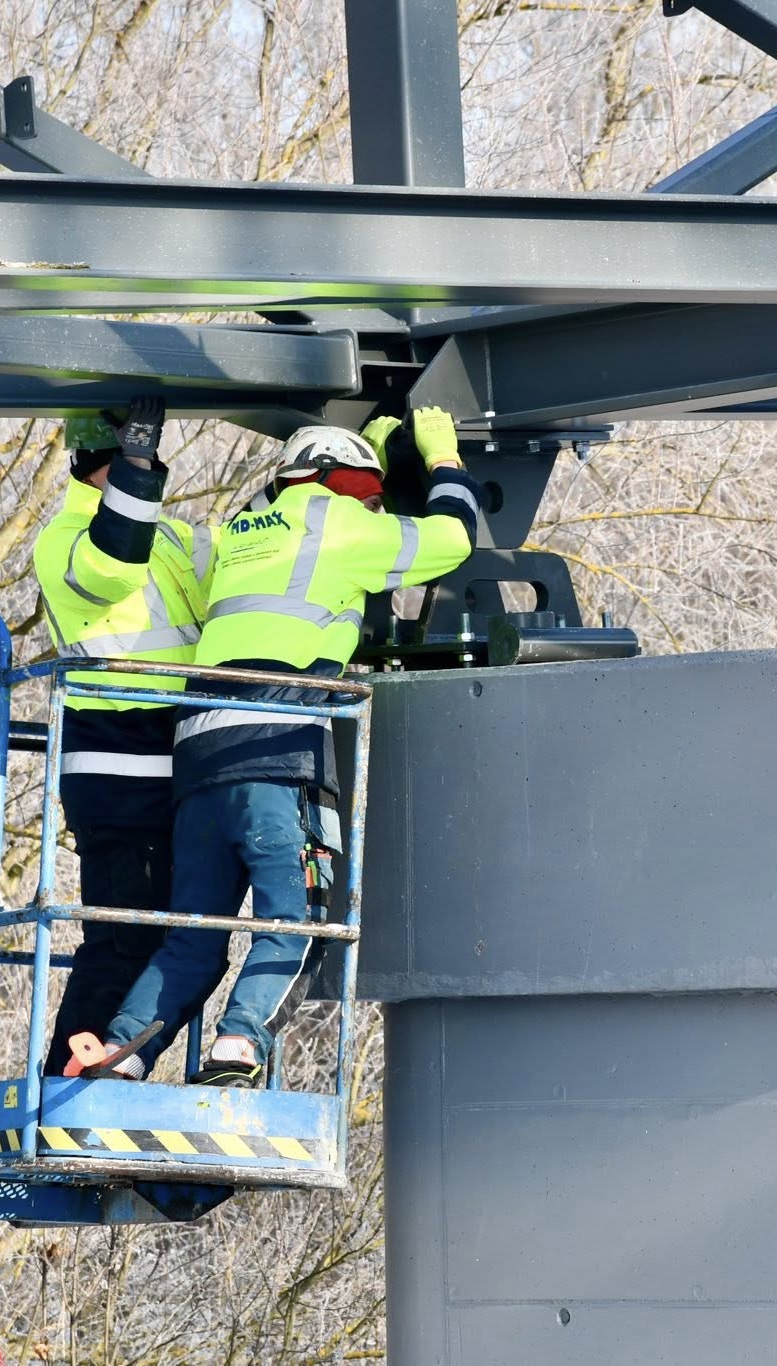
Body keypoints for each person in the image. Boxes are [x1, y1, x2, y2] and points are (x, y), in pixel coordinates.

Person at [62, 405, 483, 1084]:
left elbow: (281, 504)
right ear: (342, 482)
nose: (378, 506)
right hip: (277, 756)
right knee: (298, 920)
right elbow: (451, 538)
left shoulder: (240, 534)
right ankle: (238, 1045)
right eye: (372, 492)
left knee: (193, 935)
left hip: (197, 761)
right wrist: (443, 458)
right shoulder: (343, 522)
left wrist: (364, 451)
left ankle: (120, 1054)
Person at [30, 397, 212, 1076]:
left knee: (176, 940)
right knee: (122, 939)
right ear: (99, 468)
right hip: (119, 769)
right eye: (137, 467)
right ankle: (67, 1079)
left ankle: (107, 1067)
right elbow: (112, 566)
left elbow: (248, 560)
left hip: (171, 765)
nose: (152, 478)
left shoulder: (165, 536)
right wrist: (136, 465)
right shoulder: (67, 538)